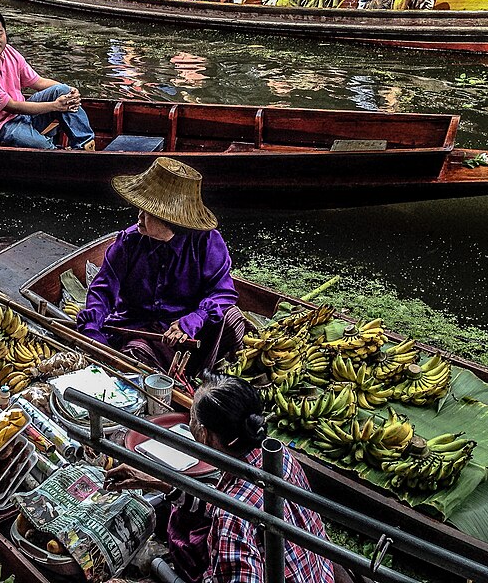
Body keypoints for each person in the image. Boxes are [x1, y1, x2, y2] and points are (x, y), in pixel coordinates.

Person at [104, 374, 334, 583]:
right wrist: (153, 481)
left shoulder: (232, 516)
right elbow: (220, 502)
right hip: (318, 573)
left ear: (204, 433)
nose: (189, 421)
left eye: (192, 416)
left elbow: (232, 515)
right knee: (184, 514)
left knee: (182, 528)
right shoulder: (276, 453)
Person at [76, 157, 244, 374]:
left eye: (148, 213)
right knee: (137, 355)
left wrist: (195, 319)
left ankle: (217, 369)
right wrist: (92, 327)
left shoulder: (207, 242)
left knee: (232, 319)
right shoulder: (129, 242)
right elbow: (103, 289)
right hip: (142, 329)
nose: (139, 216)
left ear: (170, 221)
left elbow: (223, 292)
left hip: (190, 330)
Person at [0, 6, 94, 150]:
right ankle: (58, 153)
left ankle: (85, 146)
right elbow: (12, 106)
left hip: (22, 115)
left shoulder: (9, 52)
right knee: (43, 146)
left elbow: (38, 82)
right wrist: (55, 106)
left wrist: (70, 91)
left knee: (62, 90)